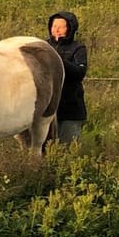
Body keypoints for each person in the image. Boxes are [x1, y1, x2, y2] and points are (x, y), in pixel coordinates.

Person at [48, 10, 87, 144]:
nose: (56, 30)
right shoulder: (45, 46)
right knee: (45, 149)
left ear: (70, 29)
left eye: (61, 27)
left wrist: (58, 60)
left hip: (71, 108)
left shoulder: (78, 48)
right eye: (54, 26)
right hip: (47, 108)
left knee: (68, 148)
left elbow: (79, 73)